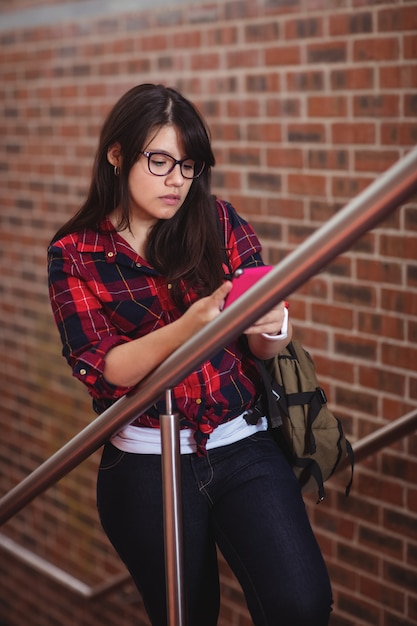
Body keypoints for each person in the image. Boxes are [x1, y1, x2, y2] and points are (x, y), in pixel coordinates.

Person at [48, 83, 332, 626]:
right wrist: (190, 327)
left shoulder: (219, 222)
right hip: (144, 463)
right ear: (117, 154)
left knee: (302, 604)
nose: (177, 179)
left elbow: (262, 346)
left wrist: (275, 325)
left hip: (241, 442)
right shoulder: (75, 254)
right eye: (160, 161)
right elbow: (103, 369)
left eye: (189, 165)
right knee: (185, 615)